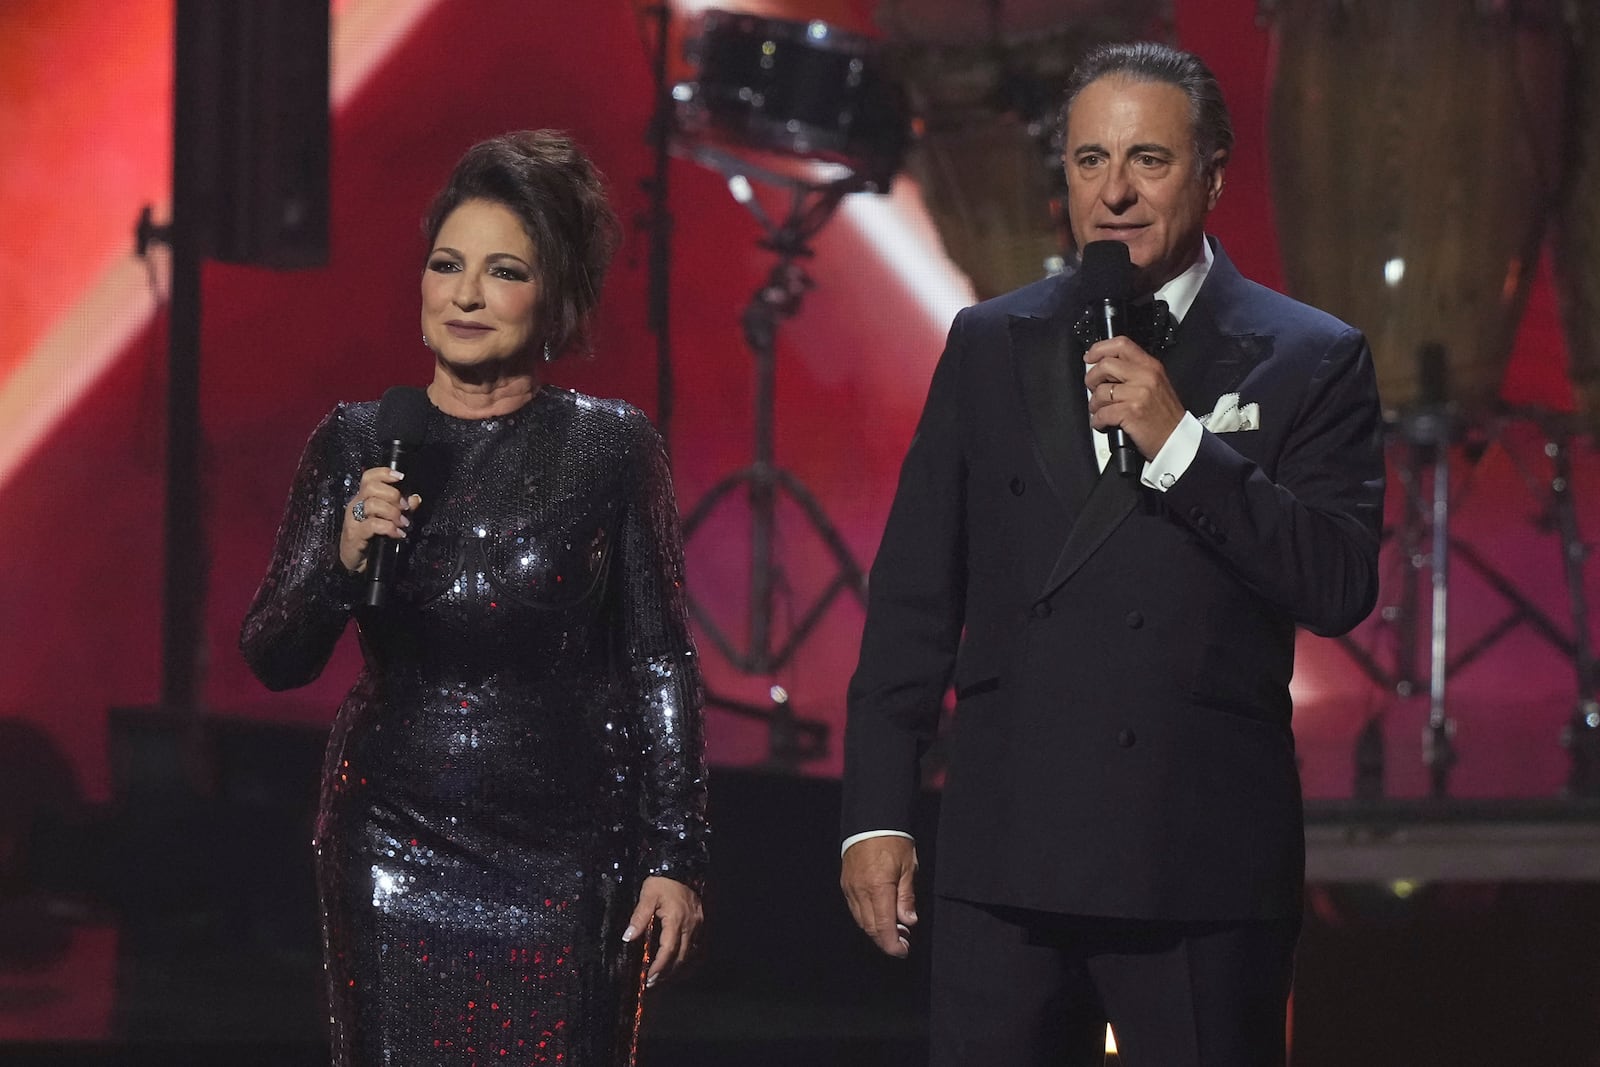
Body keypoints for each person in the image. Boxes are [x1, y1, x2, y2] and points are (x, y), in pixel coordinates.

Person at [839, 42, 1384, 1066]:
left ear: (1212, 174)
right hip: (1006, 851)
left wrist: (1182, 445)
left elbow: (1338, 582)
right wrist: (874, 814)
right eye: (1090, 162)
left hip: (1200, 857)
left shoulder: (1308, 356)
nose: (1116, 192)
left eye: (1148, 160)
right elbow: (914, 594)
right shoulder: (988, 343)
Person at [240, 130, 708, 1066]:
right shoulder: (358, 440)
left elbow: (658, 661)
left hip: (571, 854)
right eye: (447, 265)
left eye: (502, 272)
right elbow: (275, 655)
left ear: (554, 299)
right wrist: (341, 558)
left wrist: (675, 853)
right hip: (390, 841)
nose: (464, 295)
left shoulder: (613, 449)